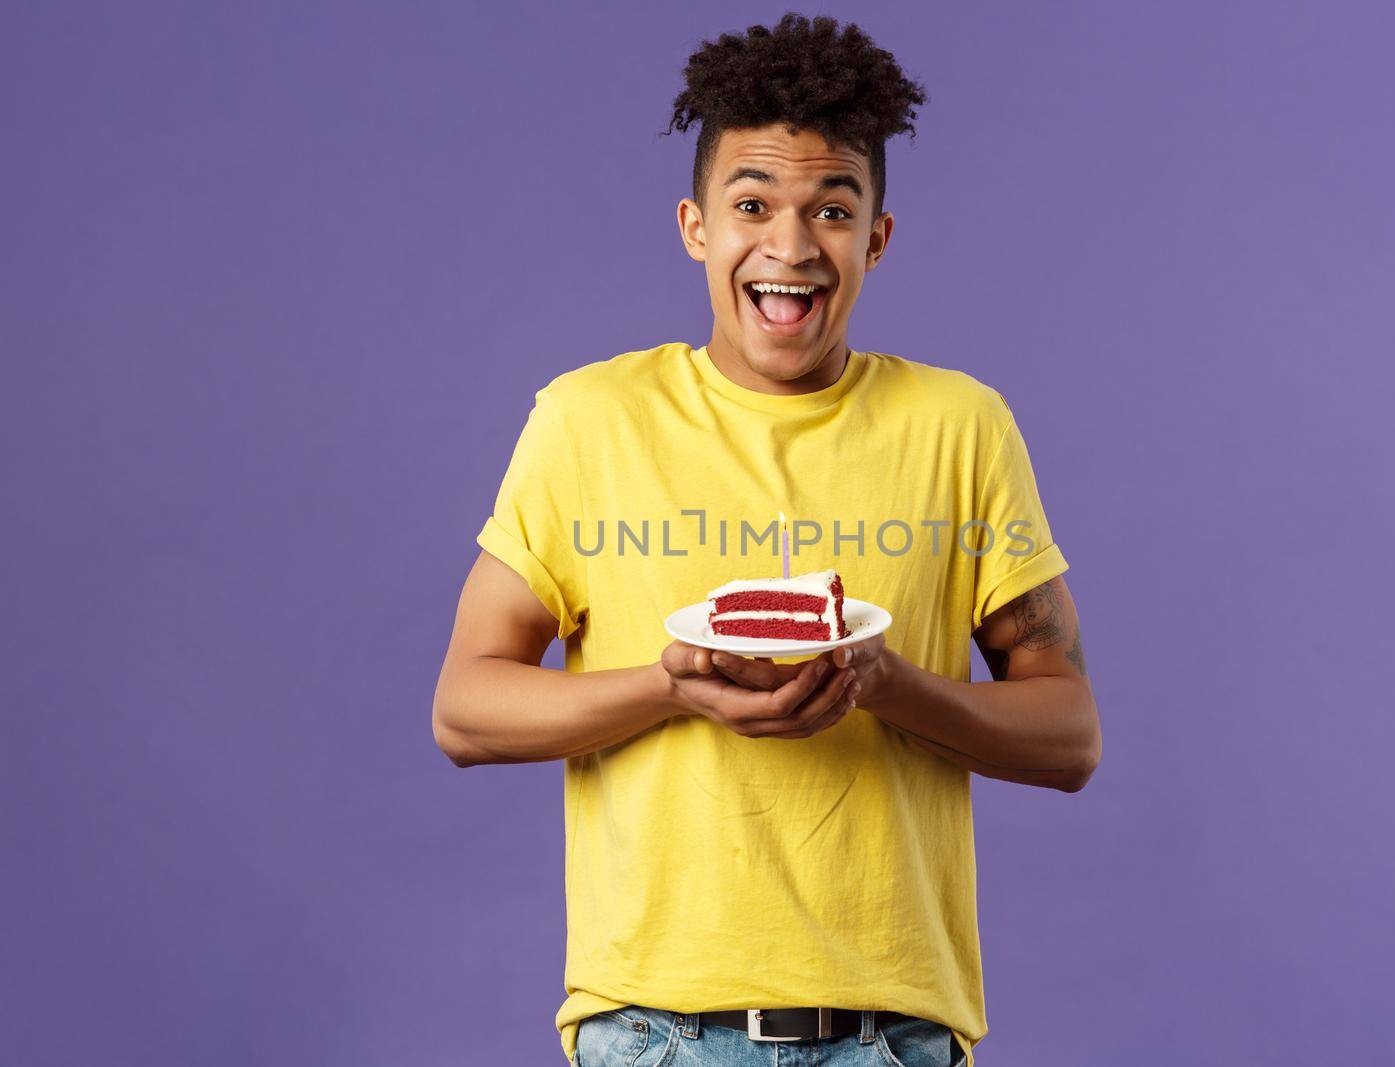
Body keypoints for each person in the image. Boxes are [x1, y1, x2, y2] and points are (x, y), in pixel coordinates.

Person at [431, 13, 1101, 1066]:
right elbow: (465, 707)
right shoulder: (587, 420)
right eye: (753, 205)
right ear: (697, 224)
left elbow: (1068, 736)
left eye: (830, 210)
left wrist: (887, 686)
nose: (788, 248)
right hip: (655, 1031)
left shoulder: (961, 426)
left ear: (875, 236)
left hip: (893, 1038)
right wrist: (666, 687)